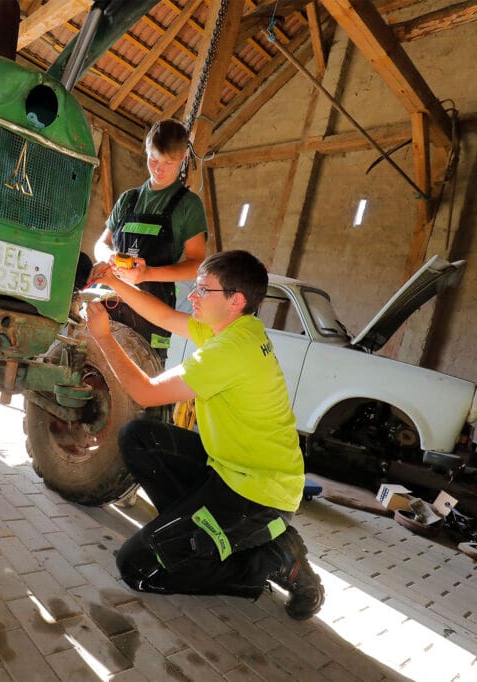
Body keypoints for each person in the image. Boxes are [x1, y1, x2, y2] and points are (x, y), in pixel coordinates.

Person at [84, 250, 324, 620]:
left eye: (201, 290)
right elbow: (163, 316)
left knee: (138, 568)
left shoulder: (229, 351)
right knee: (139, 437)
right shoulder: (237, 327)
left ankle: (272, 559)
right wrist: (113, 283)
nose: (192, 297)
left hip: (259, 493)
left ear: (235, 300)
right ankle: (197, 534)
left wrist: (103, 337)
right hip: (232, 469)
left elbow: (146, 392)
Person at [93, 119, 207, 360]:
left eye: (169, 162)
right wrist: (108, 256)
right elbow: (101, 244)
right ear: (146, 149)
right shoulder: (128, 199)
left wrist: (147, 274)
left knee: (142, 378)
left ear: (184, 156)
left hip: (154, 314)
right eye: (153, 159)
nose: (159, 169)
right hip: (113, 302)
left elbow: (197, 264)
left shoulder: (188, 206)